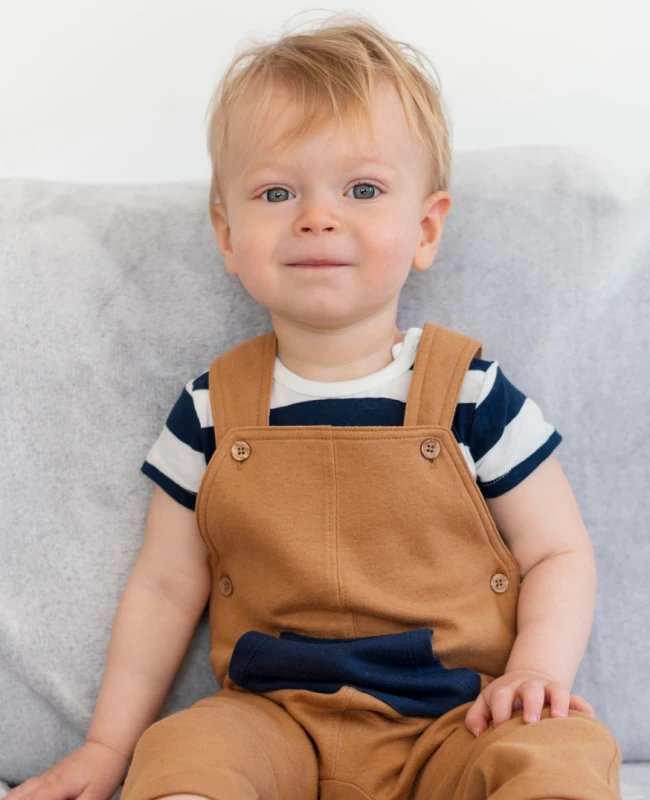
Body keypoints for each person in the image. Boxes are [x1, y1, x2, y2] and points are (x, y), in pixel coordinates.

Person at [6, 11, 622, 800]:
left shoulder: (473, 393)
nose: (317, 215)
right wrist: (103, 747)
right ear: (227, 236)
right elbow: (163, 586)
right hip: (274, 721)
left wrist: (536, 669)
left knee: (562, 745)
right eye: (276, 191)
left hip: (456, 723)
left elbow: (557, 552)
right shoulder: (209, 411)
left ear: (426, 227)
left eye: (362, 188)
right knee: (188, 746)